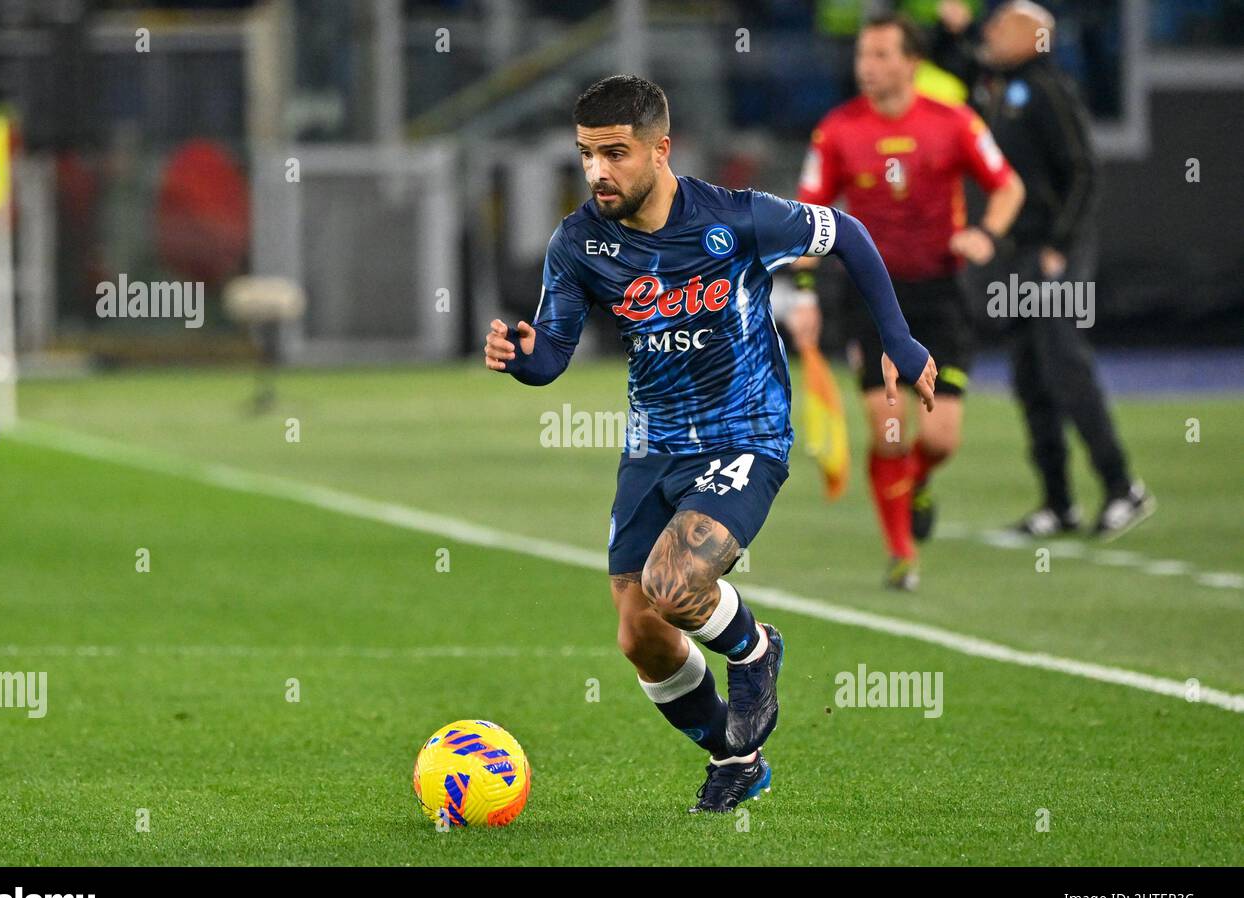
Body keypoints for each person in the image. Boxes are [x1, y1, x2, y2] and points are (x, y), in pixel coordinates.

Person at [483, 75, 937, 813]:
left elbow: (846, 234)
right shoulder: (578, 243)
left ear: (661, 151)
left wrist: (898, 338)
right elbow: (551, 357)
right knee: (641, 636)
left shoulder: (736, 218)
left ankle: (757, 650)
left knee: (673, 585)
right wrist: (521, 354)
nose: (597, 171)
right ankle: (738, 754)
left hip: (746, 435)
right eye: (586, 154)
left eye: (615, 154)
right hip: (651, 448)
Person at [788, 13, 1025, 590]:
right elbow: (808, 216)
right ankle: (902, 554)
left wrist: (986, 236)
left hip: (941, 293)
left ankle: (914, 484)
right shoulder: (837, 131)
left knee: (940, 437)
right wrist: (805, 295)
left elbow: (1008, 186)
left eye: (880, 55)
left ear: (911, 62)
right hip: (871, 298)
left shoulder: (955, 123)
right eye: (862, 56)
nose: (866, 67)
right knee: (890, 429)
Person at [935, 0, 1155, 538]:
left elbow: (1083, 169)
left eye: (1004, 24)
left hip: (1054, 254)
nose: (992, 30)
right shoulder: (999, 86)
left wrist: (1061, 244)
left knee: (1064, 363)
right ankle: (1059, 502)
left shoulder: (1047, 88)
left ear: (1035, 38)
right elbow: (959, 68)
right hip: (1019, 255)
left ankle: (1124, 486)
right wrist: (957, 32)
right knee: (1031, 372)